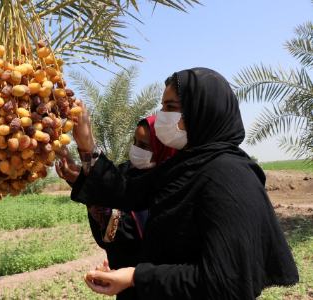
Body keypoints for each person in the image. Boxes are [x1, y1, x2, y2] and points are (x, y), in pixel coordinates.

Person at [68, 67, 299, 299]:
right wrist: (87, 145)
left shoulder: (227, 176)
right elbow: (127, 192)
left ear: (202, 111)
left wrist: (136, 277)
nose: (162, 116)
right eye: (162, 107)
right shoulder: (184, 167)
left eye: (171, 107)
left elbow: (227, 281)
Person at [56, 116, 176, 300]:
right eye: (134, 142)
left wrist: (83, 176)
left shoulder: (169, 186)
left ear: (162, 149)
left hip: (156, 285)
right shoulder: (126, 171)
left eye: (144, 145)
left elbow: (127, 226)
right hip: (125, 285)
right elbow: (103, 187)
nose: (136, 149)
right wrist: (77, 175)